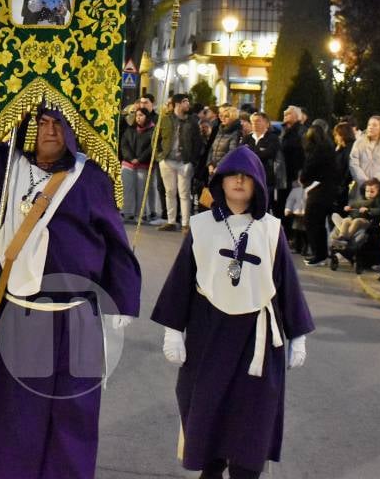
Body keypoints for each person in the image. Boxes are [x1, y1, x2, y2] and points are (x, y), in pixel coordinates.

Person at [0, 106, 141, 479]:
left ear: (71, 129)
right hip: (19, 311)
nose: (50, 131)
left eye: (58, 123)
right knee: (15, 416)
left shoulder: (90, 177)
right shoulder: (6, 167)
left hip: (76, 317)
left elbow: (116, 241)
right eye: (41, 123)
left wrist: (123, 297)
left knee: (72, 418)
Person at [151, 145, 313, 479]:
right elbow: (182, 280)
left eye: (247, 176)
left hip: (258, 339)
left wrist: (297, 337)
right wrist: (173, 330)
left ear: (258, 185)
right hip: (209, 333)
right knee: (206, 407)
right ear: (220, 182)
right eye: (232, 175)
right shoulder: (200, 226)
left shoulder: (271, 229)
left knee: (252, 415)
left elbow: (287, 284)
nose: (239, 181)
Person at [157, 93, 200, 233]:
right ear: (177, 104)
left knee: (184, 193)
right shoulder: (165, 120)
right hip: (167, 160)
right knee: (169, 192)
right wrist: (159, 156)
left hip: (184, 162)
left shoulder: (192, 122)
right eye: (185, 102)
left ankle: (185, 223)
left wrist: (192, 160)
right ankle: (171, 221)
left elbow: (197, 143)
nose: (188, 104)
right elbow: (155, 139)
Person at [299, 122, 338, 267]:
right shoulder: (329, 148)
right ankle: (321, 254)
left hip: (318, 190)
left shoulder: (316, 152)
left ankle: (318, 254)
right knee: (320, 224)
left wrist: (303, 179)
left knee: (312, 222)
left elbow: (308, 170)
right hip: (328, 189)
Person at [120, 107, 157, 222]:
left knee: (141, 190)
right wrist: (131, 158)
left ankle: (140, 214)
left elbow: (151, 148)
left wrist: (139, 159)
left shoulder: (152, 131)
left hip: (143, 165)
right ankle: (127, 212)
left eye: (141, 115)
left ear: (147, 117)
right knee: (127, 189)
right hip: (128, 164)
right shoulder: (130, 129)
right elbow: (124, 145)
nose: (138, 118)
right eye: (137, 116)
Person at [348, 115, 380, 194]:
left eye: (374, 125)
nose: (370, 127)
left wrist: (376, 179)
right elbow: (353, 162)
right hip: (360, 186)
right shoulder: (359, 143)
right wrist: (363, 180)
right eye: (369, 125)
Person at [205, 105, 243, 176]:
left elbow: (232, 152)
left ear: (232, 117)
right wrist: (209, 164)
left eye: (226, 116)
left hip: (225, 170)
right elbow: (212, 148)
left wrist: (219, 167)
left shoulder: (236, 132)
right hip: (213, 170)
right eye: (221, 116)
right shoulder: (220, 130)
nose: (223, 118)